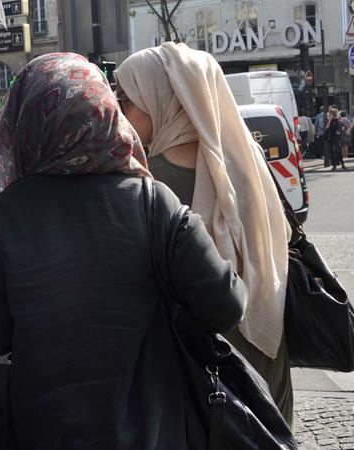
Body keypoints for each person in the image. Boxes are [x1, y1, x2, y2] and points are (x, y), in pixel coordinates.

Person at [0, 52, 247, 449]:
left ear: (26, 124)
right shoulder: (154, 203)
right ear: (105, 113)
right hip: (155, 431)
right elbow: (227, 305)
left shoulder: (0, 218)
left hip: (43, 430)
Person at [115, 42, 291, 423]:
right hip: (265, 343)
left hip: (197, 371)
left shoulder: (144, 179)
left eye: (126, 100)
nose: (119, 112)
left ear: (164, 98)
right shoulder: (247, 158)